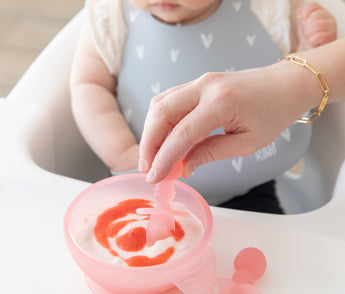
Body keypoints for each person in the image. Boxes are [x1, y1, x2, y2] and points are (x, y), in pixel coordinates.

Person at [70, 0, 337, 213]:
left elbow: (287, 80)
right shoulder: (111, 16)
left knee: (262, 251)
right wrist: (121, 150)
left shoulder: (264, 9)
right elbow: (89, 86)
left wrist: (309, 47)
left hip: (244, 188)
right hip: (141, 183)